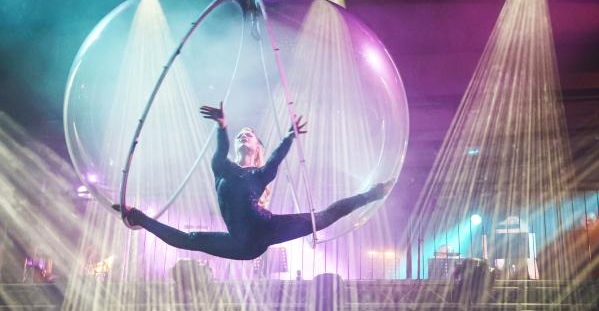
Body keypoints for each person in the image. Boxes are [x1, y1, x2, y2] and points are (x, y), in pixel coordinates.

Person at [114, 102, 392, 260]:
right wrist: (222, 126)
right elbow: (221, 149)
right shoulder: (221, 168)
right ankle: (138, 217)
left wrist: (289, 138)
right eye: (240, 134)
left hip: (265, 230)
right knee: (191, 239)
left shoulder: (260, 176)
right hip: (239, 243)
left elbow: (274, 161)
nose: (243, 135)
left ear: (258, 146)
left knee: (323, 217)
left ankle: (374, 193)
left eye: (249, 134)